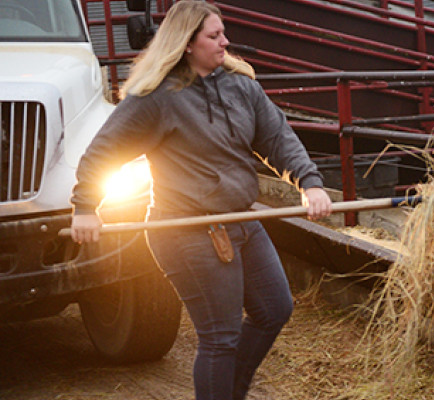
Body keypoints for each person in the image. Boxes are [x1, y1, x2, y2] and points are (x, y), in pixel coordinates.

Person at [69, 1, 333, 399]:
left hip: (241, 219)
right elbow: (104, 151)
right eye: (214, 36)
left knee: (275, 308)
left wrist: (310, 184)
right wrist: (86, 207)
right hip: (188, 231)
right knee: (220, 335)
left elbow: (278, 137)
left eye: (223, 33)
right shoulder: (156, 98)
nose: (225, 42)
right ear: (187, 43)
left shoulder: (240, 85)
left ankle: (231, 392)